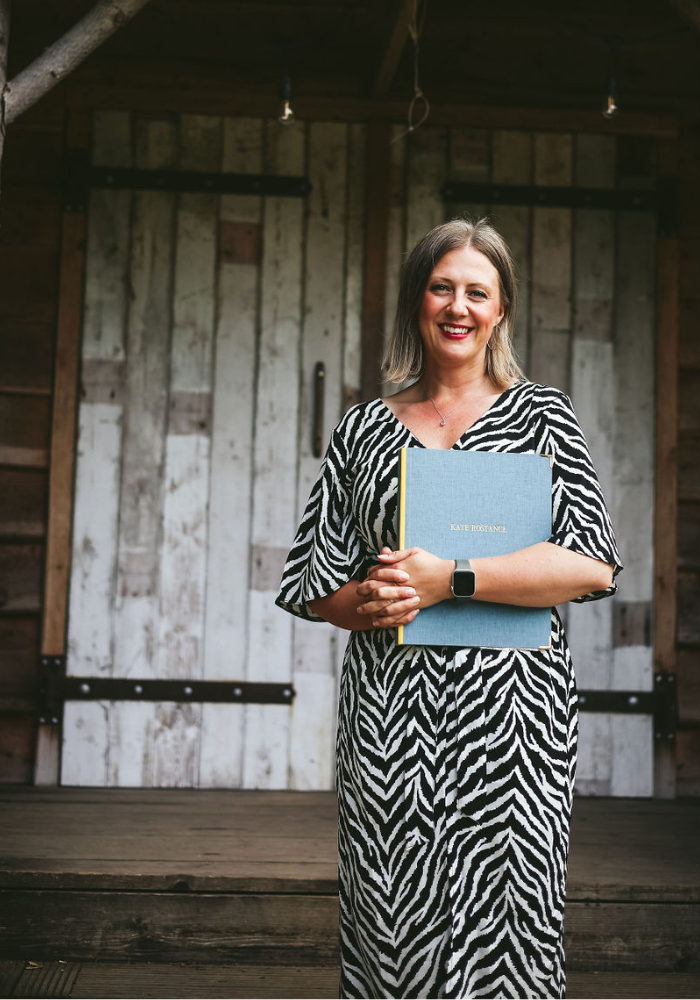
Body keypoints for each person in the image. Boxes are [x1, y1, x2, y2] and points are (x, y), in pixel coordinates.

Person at [276, 217, 623, 999]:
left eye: (477, 291)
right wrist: (364, 600)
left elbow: (589, 565)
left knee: (508, 924)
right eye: (441, 287)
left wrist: (451, 579)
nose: (457, 305)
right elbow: (312, 581)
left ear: (499, 311)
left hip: (513, 727)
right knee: (391, 919)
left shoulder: (544, 420)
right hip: (391, 725)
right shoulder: (364, 429)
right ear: (417, 300)